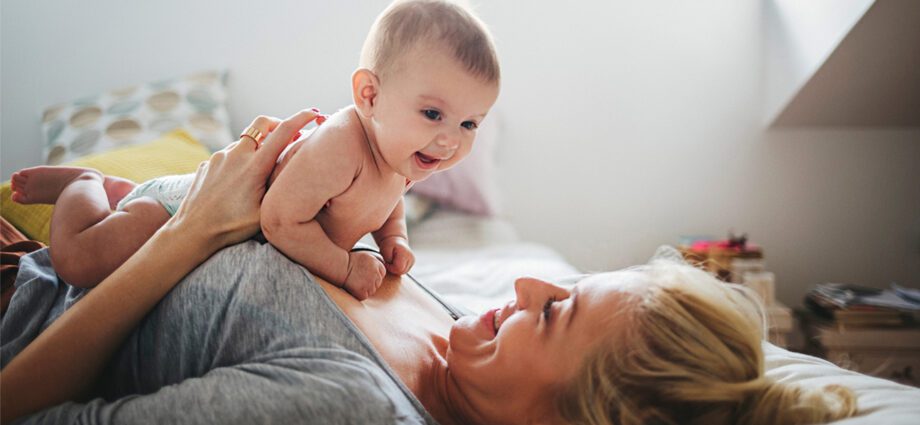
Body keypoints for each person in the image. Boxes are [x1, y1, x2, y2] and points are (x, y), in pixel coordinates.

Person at [1, 120, 858, 423]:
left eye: (555, 314)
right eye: (564, 285)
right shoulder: (453, 335)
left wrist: (186, 235)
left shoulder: (351, 405)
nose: (525, 286)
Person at [8, 0, 501, 300]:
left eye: (469, 123)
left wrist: (395, 240)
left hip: (206, 226)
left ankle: (124, 192)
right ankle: (84, 185)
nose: (450, 139)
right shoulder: (341, 144)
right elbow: (280, 222)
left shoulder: (403, 154)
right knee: (82, 264)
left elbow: (388, 200)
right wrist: (345, 266)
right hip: (183, 211)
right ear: (369, 95)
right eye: (434, 114)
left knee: (128, 211)